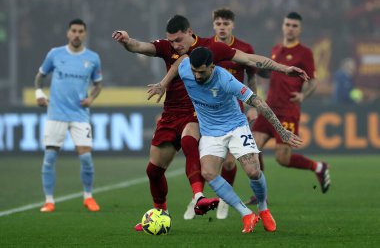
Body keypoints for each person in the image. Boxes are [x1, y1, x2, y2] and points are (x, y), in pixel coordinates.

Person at [112, 15, 308, 231]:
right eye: (172, 42)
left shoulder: (216, 56)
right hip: (191, 120)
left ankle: (250, 206)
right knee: (175, 171)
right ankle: (241, 214)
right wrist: (160, 80)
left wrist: (284, 69)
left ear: (189, 32)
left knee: (243, 167)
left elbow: (252, 62)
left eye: (178, 40)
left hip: (217, 119)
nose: (175, 46)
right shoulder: (182, 59)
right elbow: (162, 56)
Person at [179, 47, 303, 233]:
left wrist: (282, 131)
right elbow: (176, 64)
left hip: (236, 127)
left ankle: (263, 208)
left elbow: (258, 102)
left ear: (212, 66)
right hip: (211, 132)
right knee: (208, 173)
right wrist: (163, 83)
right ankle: (246, 213)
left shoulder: (226, 80)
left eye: (201, 72)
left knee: (253, 172)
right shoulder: (184, 69)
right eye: (194, 71)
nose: (196, 76)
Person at [247, 12, 330, 205]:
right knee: (252, 150)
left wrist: (303, 95)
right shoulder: (276, 49)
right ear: (283, 26)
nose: (290, 28)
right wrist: (258, 70)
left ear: (299, 29)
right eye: (287, 24)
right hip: (268, 108)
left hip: (287, 111)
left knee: (283, 159)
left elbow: (313, 82)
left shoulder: (305, 52)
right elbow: (274, 74)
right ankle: (261, 194)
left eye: (294, 25)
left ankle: (318, 167)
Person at [183, 8, 258, 220]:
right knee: (201, 152)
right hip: (206, 110)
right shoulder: (205, 48)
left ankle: (226, 200)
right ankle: (199, 195)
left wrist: (252, 106)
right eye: (218, 24)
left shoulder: (244, 48)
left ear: (232, 25)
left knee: (230, 162)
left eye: (226, 24)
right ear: (213, 25)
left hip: (234, 112)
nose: (222, 27)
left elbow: (251, 78)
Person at [35, 19, 103, 212]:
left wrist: (91, 98)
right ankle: (49, 201)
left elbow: (98, 84)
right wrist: (39, 94)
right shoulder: (55, 54)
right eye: (73, 31)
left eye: (80, 31)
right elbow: (40, 76)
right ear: (68, 33)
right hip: (55, 113)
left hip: (80, 114)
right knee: (49, 158)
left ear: (85, 34)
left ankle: (88, 197)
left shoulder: (92, 58)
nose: (76, 34)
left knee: (86, 159)